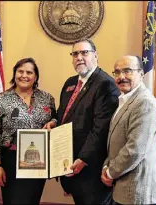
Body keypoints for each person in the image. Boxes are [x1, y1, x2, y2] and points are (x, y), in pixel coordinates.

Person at [45, 38, 120, 204]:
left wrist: (84, 159)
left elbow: (101, 128)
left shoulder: (106, 84)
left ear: (96, 56)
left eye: (84, 52)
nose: (79, 57)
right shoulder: (70, 83)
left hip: (90, 169)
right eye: (75, 54)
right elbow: (63, 113)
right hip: (69, 164)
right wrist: (54, 122)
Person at [0, 57, 57, 204]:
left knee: (33, 200)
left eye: (29, 72)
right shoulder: (0, 100)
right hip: (11, 160)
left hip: (38, 159)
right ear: (15, 74)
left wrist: (53, 122)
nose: (24, 75)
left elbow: (56, 120)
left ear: (35, 76)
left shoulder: (47, 98)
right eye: (20, 71)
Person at [101, 55, 156, 205]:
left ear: (141, 74)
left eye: (128, 71)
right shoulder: (125, 99)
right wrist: (107, 165)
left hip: (140, 190)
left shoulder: (144, 103)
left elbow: (135, 149)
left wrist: (110, 172)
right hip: (127, 188)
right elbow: (115, 140)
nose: (121, 77)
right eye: (117, 72)